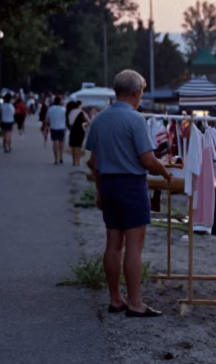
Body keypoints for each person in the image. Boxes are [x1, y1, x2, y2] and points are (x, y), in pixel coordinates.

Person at [84, 69, 171, 317]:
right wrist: (164, 172)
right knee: (134, 247)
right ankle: (135, 303)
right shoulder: (136, 120)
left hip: (108, 184)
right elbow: (147, 159)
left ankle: (115, 299)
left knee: (113, 244)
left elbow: (93, 161)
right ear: (136, 92)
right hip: (131, 185)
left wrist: (99, 190)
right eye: (141, 92)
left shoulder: (99, 120)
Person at [67, 99, 90, 167]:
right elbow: (88, 121)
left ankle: (74, 161)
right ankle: (77, 161)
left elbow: (70, 123)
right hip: (80, 130)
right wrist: (85, 126)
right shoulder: (81, 112)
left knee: (73, 146)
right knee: (78, 146)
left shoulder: (70, 112)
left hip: (73, 130)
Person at [46, 94, 67, 163]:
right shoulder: (63, 109)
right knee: (62, 142)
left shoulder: (50, 109)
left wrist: (47, 125)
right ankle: (61, 157)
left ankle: (56, 158)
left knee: (55, 142)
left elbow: (47, 119)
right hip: (62, 127)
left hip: (53, 127)